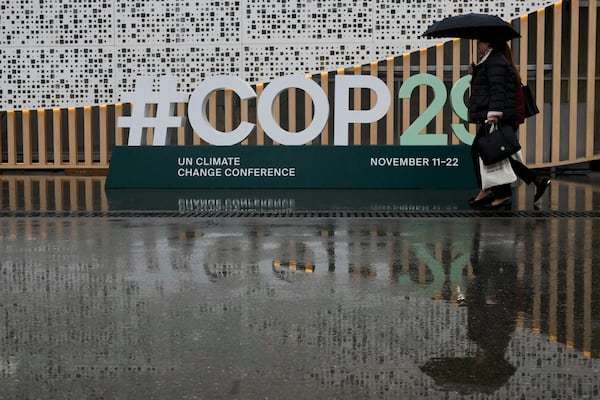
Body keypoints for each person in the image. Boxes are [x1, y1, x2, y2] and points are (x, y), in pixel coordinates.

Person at [468, 38, 551, 209]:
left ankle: (500, 194)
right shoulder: (492, 60)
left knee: (484, 150)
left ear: (489, 43)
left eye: (480, 41)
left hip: (499, 116)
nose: (478, 43)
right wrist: (475, 72)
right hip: (502, 115)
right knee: (498, 153)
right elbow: (488, 85)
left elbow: (498, 90)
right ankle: (535, 180)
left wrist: (494, 114)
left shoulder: (495, 61)